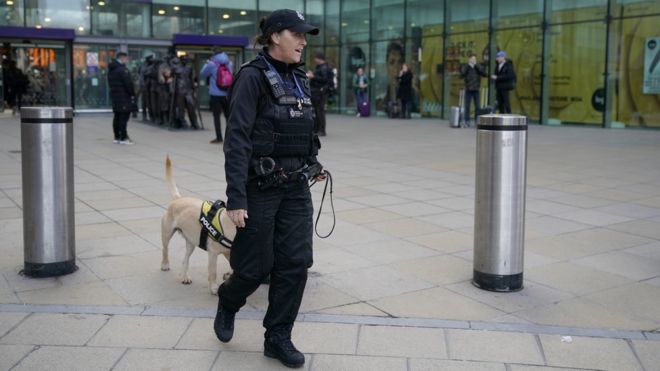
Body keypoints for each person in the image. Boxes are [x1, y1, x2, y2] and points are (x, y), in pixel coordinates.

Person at [216, 9, 325, 369]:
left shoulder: (300, 78)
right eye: (298, 34)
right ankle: (229, 301)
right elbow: (237, 139)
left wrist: (313, 162)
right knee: (253, 268)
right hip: (260, 187)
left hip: (296, 187)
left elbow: (305, 127)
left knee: (295, 264)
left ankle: (277, 337)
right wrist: (236, 196)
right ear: (276, 36)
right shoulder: (251, 77)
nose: (304, 41)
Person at [200, 48, 233, 143]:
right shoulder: (229, 63)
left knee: (216, 116)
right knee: (229, 116)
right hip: (227, 93)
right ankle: (230, 137)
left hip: (215, 93)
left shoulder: (211, 64)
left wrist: (207, 62)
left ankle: (219, 138)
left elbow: (203, 73)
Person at [107, 51, 136, 144]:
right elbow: (129, 84)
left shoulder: (112, 69)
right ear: (122, 58)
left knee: (117, 116)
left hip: (115, 96)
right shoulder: (123, 70)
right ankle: (123, 137)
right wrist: (132, 94)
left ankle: (117, 137)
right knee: (123, 117)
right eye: (126, 58)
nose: (127, 60)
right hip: (124, 97)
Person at [307, 51, 332, 136]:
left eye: (316, 58)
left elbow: (324, 79)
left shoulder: (324, 67)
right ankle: (318, 129)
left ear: (319, 59)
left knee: (319, 111)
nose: (314, 60)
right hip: (318, 92)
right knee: (318, 111)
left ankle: (321, 129)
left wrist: (313, 76)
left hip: (320, 92)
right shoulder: (321, 67)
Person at [460, 53, 488, 126]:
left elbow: (484, 74)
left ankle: (476, 120)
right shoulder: (465, 66)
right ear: (469, 59)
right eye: (472, 59)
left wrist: (476, 65)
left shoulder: (478, 66)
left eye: (474, 59)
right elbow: (462, 74)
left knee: (477, 106)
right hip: (468, 89)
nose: (473, 60)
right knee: (467, 106)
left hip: (476, 89)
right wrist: (468, 66)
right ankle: (467, 121)